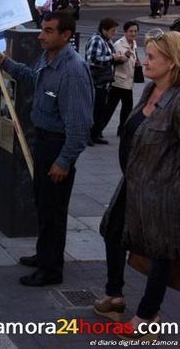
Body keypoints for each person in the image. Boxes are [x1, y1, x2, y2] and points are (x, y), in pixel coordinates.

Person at [0, 11, 93, 287]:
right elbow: (32, 78)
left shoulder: (73, 70)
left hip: (57, 146)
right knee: (44, 206)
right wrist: (5, 62)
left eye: (48, 31)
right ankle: (43, 254)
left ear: (66, 35)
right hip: (43, 142)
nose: (41, 35)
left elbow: (80, 126)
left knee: (53, 212)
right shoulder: (47, 59)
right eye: (42, 29)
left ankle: (51, 270)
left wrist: (64, 160)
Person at [94, 30, 180, 342]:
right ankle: (114, 294)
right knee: (112, 231)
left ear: (172, 63)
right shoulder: (149, 91)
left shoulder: (178, 101)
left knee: (160, 251)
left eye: (153, 57)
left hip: (162, 193)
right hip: (132, 182)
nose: (145, 61)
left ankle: (148, 315)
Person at [85, 18, 124, 145]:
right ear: (104, 30)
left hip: (104, 82)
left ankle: (95, 134)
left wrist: (119, 57)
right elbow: (93, 60)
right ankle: (89, 136)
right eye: (113, 30)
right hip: (96, 82)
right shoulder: (96, 40)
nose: (115, 33)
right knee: (94, 110)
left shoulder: (107, 41)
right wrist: (113, 57)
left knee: (100, 110)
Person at [105, 21, 139, 136]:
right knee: (109, 109)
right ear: (125, 32)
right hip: (118, 82)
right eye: (131, 31)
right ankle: (96, 131)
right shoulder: (119, 44)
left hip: (128, 82)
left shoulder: (134, 43)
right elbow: (117, 62)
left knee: (127, 109)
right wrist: (127, 56)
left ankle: (122, 130)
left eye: (135, 31)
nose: (133, 33)